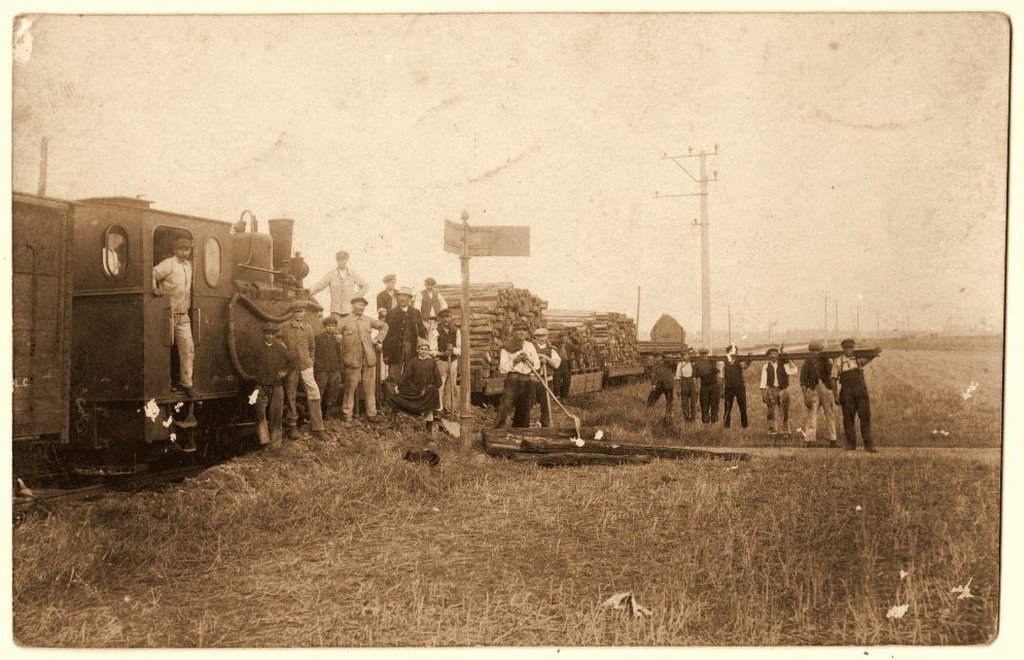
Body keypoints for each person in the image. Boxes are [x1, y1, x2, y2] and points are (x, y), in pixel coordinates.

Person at [152, 237, 195, 396]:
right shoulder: (169, 263)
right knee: (165, 350)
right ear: (175, 250)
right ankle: (165, 383)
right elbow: (152, 273)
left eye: (187, 249)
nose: (184, 252)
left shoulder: (189, 266)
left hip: (183, 315)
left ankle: (186, 383)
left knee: (187, 349)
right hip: (167, 314)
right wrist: (155, 292)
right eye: (181, 249)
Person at [246, 323, 294, 450]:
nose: (270, 336)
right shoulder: (256, 347)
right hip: (259, 386)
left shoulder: (279, 347)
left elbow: (293, 360)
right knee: (260, 414)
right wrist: (255, 375)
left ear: (275, 335)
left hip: (276, 386)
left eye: (272, 334)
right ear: (264, 334)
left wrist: (285, 371)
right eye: (267, 333)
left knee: (276, 414)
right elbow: (247, 361)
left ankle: (276, 444)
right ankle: (265, 443)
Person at [338, 297, 387, 422]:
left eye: (363, 306)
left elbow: (385, 326)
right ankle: (347, 414)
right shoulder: (344, 321)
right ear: (353, 305)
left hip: (368, 357)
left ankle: (372, 413)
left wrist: (377, 340)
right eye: (359, 305)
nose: (362, 308)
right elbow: (336, 335)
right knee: (350, 387)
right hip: (352, 358)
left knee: (369, 387)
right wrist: (343, 345)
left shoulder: (368, 319)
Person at [280, 307, 326, 440]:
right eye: (296, 312)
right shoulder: (284, 327)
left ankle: (318, 428)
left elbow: (312, 347)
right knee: (291, 395)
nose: (298, 314)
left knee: (314, 394)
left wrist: (311, 360)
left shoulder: (308, 328)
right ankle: (293, 427)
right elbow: (280, 344)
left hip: (306, 366)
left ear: (304, 313)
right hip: (291, 367)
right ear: (292, 313)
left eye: (301, 312)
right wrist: (286, 359)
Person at [832, 338, 878, 452]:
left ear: (854, 348)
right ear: (843, 349)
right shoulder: (838, 361)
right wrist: (836, 396)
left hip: (860, 392)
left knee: (865, 417)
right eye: (846, 348)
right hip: (846, 393)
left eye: (850, 347)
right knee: (848, 419)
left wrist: (875, 352)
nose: (848, 350)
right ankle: (851, 444)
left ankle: (868, 445)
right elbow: (833, 379)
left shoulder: (859, 360)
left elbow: (870, 358)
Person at [493, 322, 539, 429]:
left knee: (524, 409)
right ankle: (496, 432)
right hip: (513, 381)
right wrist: (516, 360)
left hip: (527, 381)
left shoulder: (530, 346)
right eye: (518, 330)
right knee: (505, 407)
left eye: (524, 330)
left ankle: (520, 433)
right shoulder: (507, 346)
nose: (521, 332)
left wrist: (529, 359)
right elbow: (503, 368)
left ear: (527, 332)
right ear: (514, 332)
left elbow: (537, 365)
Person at [389, 337, 442, 429]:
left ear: (429, 350)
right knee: (395, 398)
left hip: (427, 391)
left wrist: (431, 387)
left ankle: (428, 431)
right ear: (417, 350)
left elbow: (438, 381)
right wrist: (398, 385)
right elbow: (406, 375)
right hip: (415, 389)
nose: (423, 351)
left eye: (426, 349)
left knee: (429, 406)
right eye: (421, 349)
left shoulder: (432, 362)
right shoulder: (413, 362)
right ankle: (393, 423)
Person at [309, 250, 369, 322]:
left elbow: (365, 286)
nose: (341, 261)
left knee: (349, 331)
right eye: (339, 259)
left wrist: (356, 296)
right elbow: (320, 285)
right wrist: (308, 293)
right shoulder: (331, 274)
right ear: (336, 261)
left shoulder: (352, 274)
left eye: (343, 259)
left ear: (347, 260)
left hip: (349, 310)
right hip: (335, 311)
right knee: (335, 330)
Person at [382, 286, 426, 380]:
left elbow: (422, 332)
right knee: (393, 376)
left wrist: (423, 349)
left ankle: (408, 394)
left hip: (412, 349)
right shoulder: (391, 313)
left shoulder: (415, 312)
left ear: (409, 298)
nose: (402, 298)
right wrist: (386, 354)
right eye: (400, 296)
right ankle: (393, 394)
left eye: (405, 296)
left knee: (411, 375)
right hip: (395, 351)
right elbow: (385, 335)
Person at [799, 340, 838, 447]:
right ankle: (809, 441)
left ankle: (833, 440)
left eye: (817, 351)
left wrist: (834, 393)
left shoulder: (826, 361)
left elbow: (833, 374)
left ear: (821, 351)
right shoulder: (807, 363)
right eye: (812, 351)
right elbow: (803, 381)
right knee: (811, 415)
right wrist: (805, 397)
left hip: (825, 388)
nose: (815, 353)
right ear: (810, 352)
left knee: (829, 413)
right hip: (813, 389)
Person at [759, 347, 798, 435]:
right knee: (770, 411)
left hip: (782, 389)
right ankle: (772, 430)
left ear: (778, 355)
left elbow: (794, 371)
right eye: (771, 354)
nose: (773, 355)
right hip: (770, 390)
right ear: (768, 356)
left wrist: (790, 360)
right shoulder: (766, 366)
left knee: (784, 410)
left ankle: (785, 430)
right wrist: (763, 394)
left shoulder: (784, 364)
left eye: (774, 353)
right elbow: (763, 381)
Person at [313, 316, 344, 421]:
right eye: (328, 326)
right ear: (324, 327)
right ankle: (317, 415)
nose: (330, 328)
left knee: (333, 390)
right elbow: (313, 352)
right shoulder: (318, 338)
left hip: (334, 369)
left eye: (332, 326)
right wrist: (316, 365)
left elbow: (339, 355)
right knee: (319, 391)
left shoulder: (336, 340)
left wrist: (339, 369)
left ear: (335, 327)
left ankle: (328, 412)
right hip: (321, 369)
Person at [530, 327, 562, 427]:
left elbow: (556, 365)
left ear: (547, 336)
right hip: (533, 379)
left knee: (546, 404)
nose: (541, 338)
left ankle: (546, 424)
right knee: (528, 403)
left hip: (547, 379)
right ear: (535, 337)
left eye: (543, 335)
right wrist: (538, 359)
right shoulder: (530, 348)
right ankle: (527, 423)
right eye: (538, 336)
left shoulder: (552, 349)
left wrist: (547, 358)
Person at [435, 308, 461, 413]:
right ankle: (439, 406)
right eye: (443, 317)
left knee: (452, 383)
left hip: (453, 361)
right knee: (440, 384)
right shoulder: (436, 332)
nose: (446, 319)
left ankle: (450, 406)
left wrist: (453, 350)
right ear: (440, 319)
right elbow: (432, 350)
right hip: (441, 361)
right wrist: (443, 353)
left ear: (451, 318)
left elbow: (460, 348)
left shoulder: (456, 331)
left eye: (448, 317)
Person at [721, 343, 750, 428]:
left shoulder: (739, 359)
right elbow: (721, 374)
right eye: (731, 351)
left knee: (743, 406)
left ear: (736, 352)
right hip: (728, 387)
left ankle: (744, 426)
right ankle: (726, 426)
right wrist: (722, 388)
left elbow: (744, 367)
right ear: (728, 352)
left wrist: (748, 360)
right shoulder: (724, 361)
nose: (733, 352)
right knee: (727, 407)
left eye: (734, 351)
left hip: (739, 386)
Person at [693, 348, 719, 424]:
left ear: (707, 354)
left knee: (714, 404)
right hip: (704, 387)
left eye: (705, 354)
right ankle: (705, 422)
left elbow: (719, 366)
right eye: (702, 354)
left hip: (714, 385)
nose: (704, 355)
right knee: (704, 404)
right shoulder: (697, 365)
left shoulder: (712, 361)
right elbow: (695, 377)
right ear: (700, 355)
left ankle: (714, 421)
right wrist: (696, 387)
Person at [646, 352, 675, 418]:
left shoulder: (667, 363)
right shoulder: (655, 367)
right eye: (656, 357)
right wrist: (653, 385)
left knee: (669, 400)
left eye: (659, 356)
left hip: (668, 385)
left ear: (662, 358)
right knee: (651, 398)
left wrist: (668, 358)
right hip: (659, 385)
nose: (658, 358)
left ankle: (669, 415)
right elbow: (653, 377)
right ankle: (649, 413)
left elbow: (673, 363)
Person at [675, 349, 697, 422]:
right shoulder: (680, 365)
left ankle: (693, 419)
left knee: (693, 402)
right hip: (684, 382)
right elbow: (677, 378)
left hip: (691, 382)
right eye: (684, 355)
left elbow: (695, 377)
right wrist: (677, 389)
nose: (686, 356)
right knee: (684, 402)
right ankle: (686, 419)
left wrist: (696, 387)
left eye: (687, 355)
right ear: (682, 357)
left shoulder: (692, 364)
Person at [553, 333, 575, 399]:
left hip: (567, 364)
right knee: (556, 381)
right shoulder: (555, 345)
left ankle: (564, 397)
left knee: (567, 381)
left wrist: (572, 359)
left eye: (565, 337)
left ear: (567, 338)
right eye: (561, 337)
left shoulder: (569, 345)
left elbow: (576, 351)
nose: (563, 339)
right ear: (560, 338)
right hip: (558, 364)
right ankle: (556, 396)